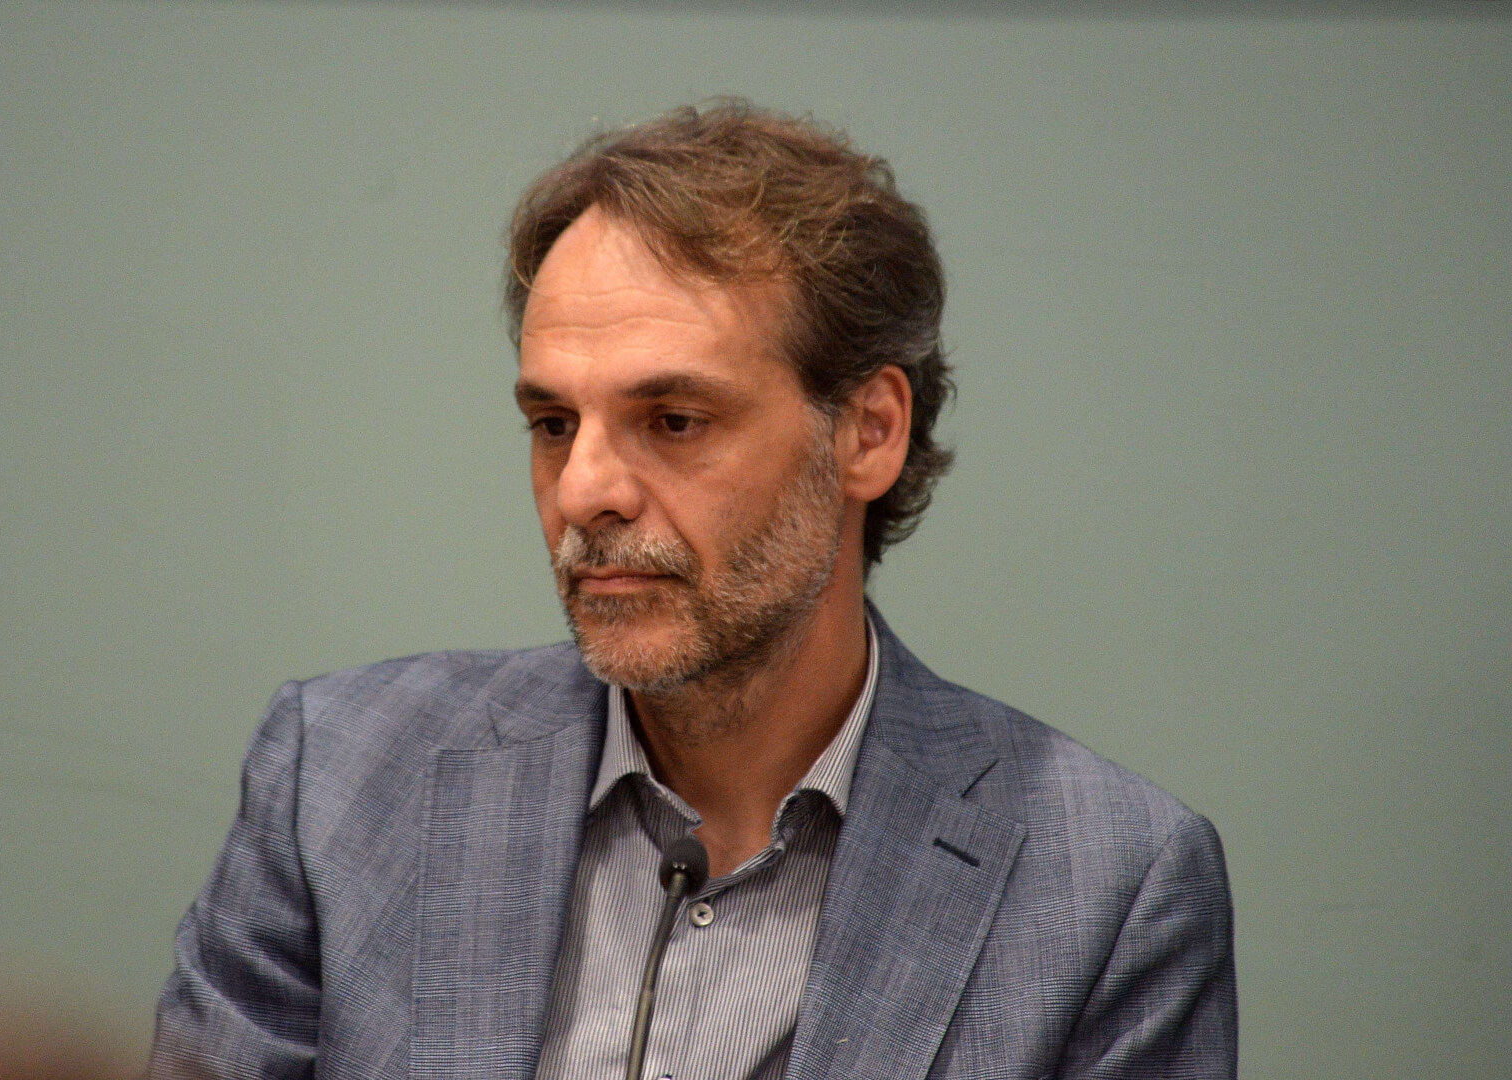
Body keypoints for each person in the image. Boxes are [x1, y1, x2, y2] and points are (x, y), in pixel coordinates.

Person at [150, 100, 1236, 1080]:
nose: (584, 491)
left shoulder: (1105, 888)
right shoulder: (338, 781)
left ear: (868, 432)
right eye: (552, 424)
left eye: (673, 421)